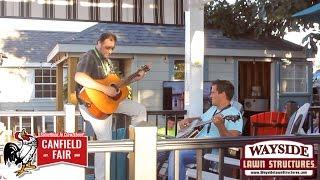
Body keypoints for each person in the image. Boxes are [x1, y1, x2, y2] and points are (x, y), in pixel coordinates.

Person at [75, 32, 149, 180]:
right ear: (98, 43)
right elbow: (79, 77)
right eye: (107, 47)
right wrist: (105, 89)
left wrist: (134, 78)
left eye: (112, 48)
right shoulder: (89, 56)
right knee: (105, 143)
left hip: (107, 103)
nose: (109, 51)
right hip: (92, 104)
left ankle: (134, 145)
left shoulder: (107, 62)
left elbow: (115, 86)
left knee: (140, 109)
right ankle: (101, 178)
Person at [167, 80, 243, 180]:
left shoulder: (235, 114)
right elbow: (201, 119)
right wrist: (189, 120)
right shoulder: (213, 109)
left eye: (213, 92)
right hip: (196, 145)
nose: (210, 96)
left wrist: (221, 126)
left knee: (176, 154)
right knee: (165, 149)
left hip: (209, 151)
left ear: (222, 94)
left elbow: (232, 140)